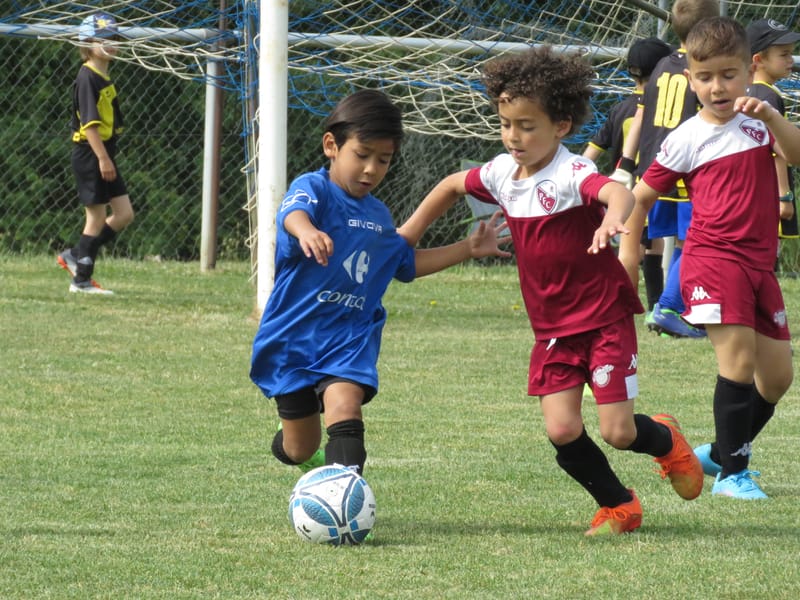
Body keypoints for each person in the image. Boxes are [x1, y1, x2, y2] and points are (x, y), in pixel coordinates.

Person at [399, 47, 703, 536]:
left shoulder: (571, 172)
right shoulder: (501, 173)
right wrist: (406, 237)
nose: (513, 137)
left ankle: (665, 439)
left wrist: (610, 217)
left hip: (603, 317)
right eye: (505, 124)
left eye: (526, 125)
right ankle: (619, 505)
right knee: (561, 429)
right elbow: (451, 185)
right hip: (553, 331)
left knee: (618, 432)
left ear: (560, 126)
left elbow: (618, 192)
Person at [250, 89, 510, 481]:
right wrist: (305, 231)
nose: (371, 169)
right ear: (331, 146)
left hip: (348, 339)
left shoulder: (378, 214)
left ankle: (346, 502)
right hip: (293, 340)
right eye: (363, 155)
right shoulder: (315, 189)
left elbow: (403, 264)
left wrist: (467, 248)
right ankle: (293, 448)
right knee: (300, 447)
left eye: (383, 160)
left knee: (345, 405)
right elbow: (293, 211)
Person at [620, 16, 799, 499]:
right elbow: (639, 196)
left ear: (749, 69)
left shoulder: (762, 122)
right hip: (714, 261)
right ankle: (734, 476)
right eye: (705, 77)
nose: (716, 87)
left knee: (778, 378)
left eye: (727, 74)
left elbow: (797, 154)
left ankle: (720, 454)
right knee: (737, 364)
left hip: (759, 267)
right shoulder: (685, 137)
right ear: (690, 78)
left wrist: (772, 118)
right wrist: (628, 246)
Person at [617, 0, 720, 338]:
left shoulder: (661, 65)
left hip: (654, 167)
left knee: (679, 242)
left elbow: (642, 115)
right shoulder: (705, 67)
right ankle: (668, 306)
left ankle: (670, 306)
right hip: (687, 169)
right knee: (697, 240)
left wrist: (627, 164)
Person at [583, 37, 672, 313]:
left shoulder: (619, 109)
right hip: (651, 185)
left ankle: (626, 303)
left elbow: (591, 153)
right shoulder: (662, 109)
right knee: (651, 246)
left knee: (632, 248)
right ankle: (655, 305)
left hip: (620, 189)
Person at [57, 12, 133, 295]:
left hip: (104, 153)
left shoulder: (102, 75)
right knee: (96, 217)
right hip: (91, 154)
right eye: (103, 39)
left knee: (123, 213)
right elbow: (89, 126)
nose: (110, 44)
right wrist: (102, 158)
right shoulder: (88, 77)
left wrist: (107, 156)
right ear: (87, 43)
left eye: (113, 39)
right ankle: (81, 280)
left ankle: (77, 254)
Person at [745, 18, 800, 270]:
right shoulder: (768, 97)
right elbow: (775, 152)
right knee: (765, 263)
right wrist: (784, 195)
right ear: (758, 60)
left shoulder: (748, 92)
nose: (791, 59)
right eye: (784, 54)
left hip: (753, 193)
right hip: (770, 194)